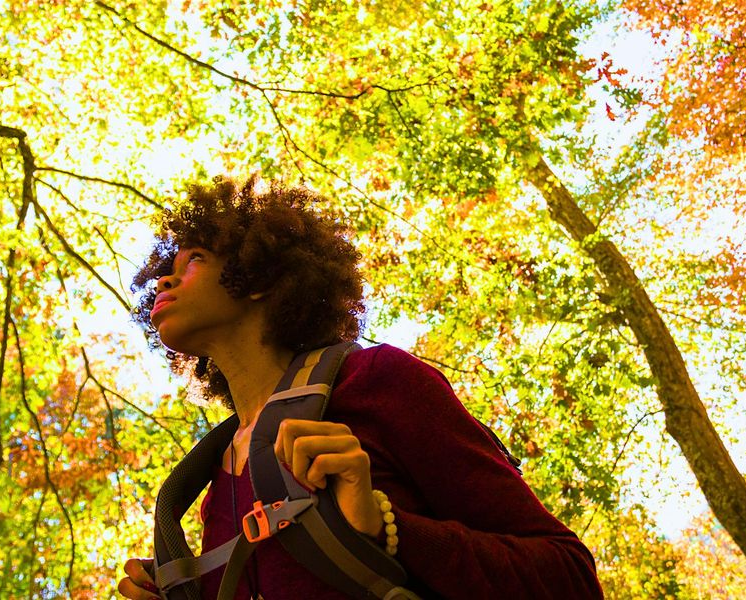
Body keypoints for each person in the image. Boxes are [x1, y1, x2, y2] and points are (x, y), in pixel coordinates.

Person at [117, 176, 603, 599]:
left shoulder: (377, 382)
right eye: (167, 271)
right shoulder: (210, 487)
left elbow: (569, 577)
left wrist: (385, 525)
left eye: (194, 260)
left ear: (257, 275)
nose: (164, 281)